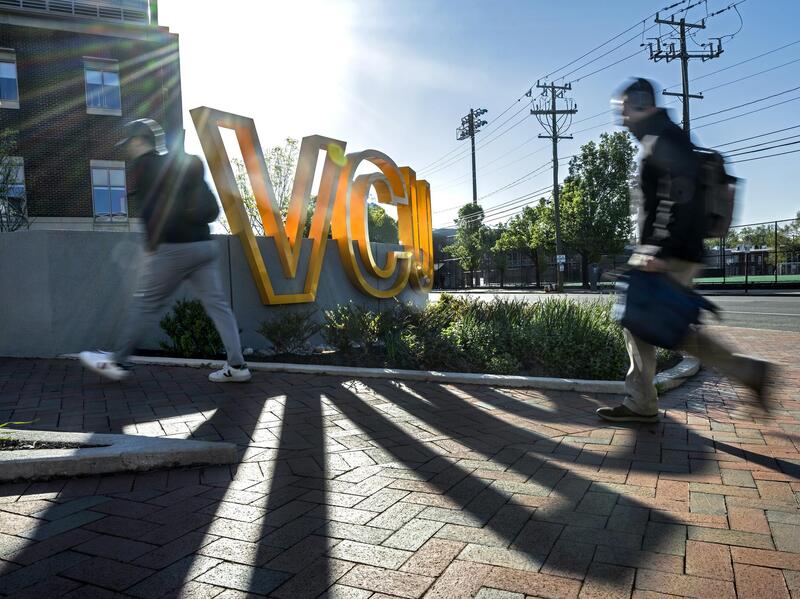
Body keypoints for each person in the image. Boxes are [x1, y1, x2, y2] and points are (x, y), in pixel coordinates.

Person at [596, 78, 771, 423]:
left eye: (624, 110)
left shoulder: (663, 138)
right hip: (668, 250)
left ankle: (748, 373)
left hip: (667, 253)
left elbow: (677, 196)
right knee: (644, 325)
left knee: (669, 328)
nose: (622, 118)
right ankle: (641, 401)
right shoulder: (661, 137)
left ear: (642, 103)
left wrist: (657, 249)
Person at [79, 119, 251, 383]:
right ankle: (237, 366)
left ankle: (117, 361)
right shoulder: (179, 165)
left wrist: (150, 247)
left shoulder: (145, 166)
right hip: (205, 247)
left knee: (145, 303)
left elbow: (151, 211)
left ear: (139, 141)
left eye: (129, 144)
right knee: (218, 306)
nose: (129, 150)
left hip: (173, 248)